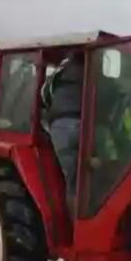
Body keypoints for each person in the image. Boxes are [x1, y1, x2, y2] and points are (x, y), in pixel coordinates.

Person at [42, 53, 85, 209]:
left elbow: (44, 96)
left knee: (73, 181)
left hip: (59, 125)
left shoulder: (59, 74)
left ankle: (76, 228)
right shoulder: (96, 73)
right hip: (82, 125)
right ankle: (79, 231)